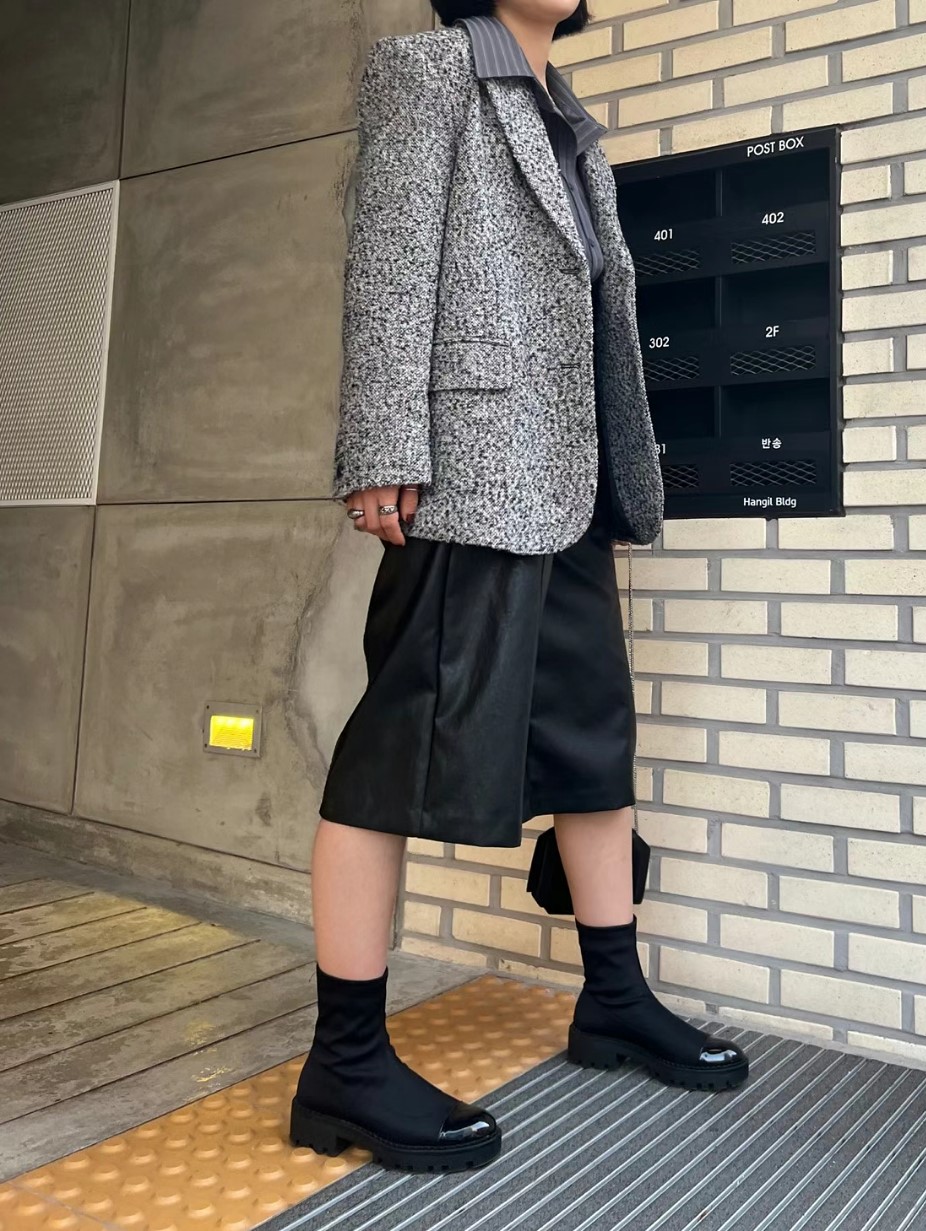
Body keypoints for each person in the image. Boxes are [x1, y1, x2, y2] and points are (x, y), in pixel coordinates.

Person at [289, 0, 750, 1174]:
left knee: (595, 742)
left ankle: (614, 997)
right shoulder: (427, 70)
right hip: (473, 473)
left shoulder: (569, 117)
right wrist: (382, 444)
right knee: (398, 750)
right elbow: (390, 266)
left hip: (571, 478)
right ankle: (345, 1061)